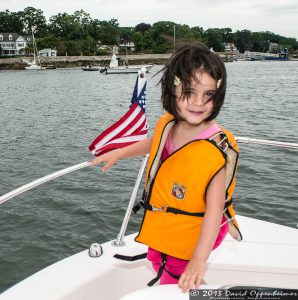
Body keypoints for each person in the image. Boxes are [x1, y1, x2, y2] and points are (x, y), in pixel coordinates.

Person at [91, 43, 242, 292]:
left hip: (199, 228)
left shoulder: (215, 148)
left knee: (180, 276)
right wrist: (120, 152)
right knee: (160, 258)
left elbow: (215, 212)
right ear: (172, 89)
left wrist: (198, 260)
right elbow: (154, 143)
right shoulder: (169, 124)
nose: (198, 103)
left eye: (209, 95)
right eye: (190, 92)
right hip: (170, 220)